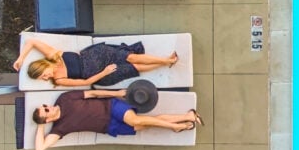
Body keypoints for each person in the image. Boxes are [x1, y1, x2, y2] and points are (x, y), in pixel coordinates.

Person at [32, 88, 204, 150]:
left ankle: (175, 126)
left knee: (135, 120)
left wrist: (116, 94)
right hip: (109, 126)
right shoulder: (59, 128)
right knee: (147, 122)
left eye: (45, 105)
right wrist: (40, 127)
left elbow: (92, 93)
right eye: (46, 110)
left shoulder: (64, 99)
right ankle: (187, 117)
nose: (49, 106)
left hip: (111, 107)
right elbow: (40, 148)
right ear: (46, 119)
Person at [14, 37, 178, 88]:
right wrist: (104, 72)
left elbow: (32, 42)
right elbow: (86, 82)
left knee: (131, 57)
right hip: (100, 74)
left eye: (43, 75)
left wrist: (21, 58)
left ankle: (166, 60)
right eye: (43, 79)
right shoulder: (59, 80)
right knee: (134, 68)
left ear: (43, 66)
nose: (45, 78)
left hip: (97, 54)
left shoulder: (53, 55)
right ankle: (165, 63)